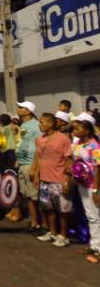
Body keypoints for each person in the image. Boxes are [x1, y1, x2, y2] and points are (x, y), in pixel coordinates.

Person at [34, 113, 73, 247]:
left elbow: (69, 160)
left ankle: (63, 236)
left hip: (59, 179)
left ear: (51, 123)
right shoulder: (39, 139)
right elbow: (39, 158)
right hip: (45, 179)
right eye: (40, 122)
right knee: (48, 208)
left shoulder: (63, 139)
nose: (40, 125)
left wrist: (67, 179)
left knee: (62, 209)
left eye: (43, 122)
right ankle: (52, 232)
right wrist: (37, 176)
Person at [70, 114, 100, 263]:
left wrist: (95, 189)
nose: (75, 130)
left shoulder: (94, 145)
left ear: (87, 131)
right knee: (90, 215)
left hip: (92, 184)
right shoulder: (78, 144)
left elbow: (98, 168)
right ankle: (94, 245)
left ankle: (97, 249)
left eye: (79, 128)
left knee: (95, 216)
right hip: (82, 184)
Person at [15, 101, 42, 233]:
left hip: (31, 164)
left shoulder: (36, 125)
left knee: (35, 196)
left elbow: (40, 146)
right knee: (28, 196)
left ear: (28, 111)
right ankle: (34, 222)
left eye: (21, 108)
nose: (18, 109)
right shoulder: (23, 125)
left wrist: (35, 168)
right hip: (23, 163)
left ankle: (40, 223)